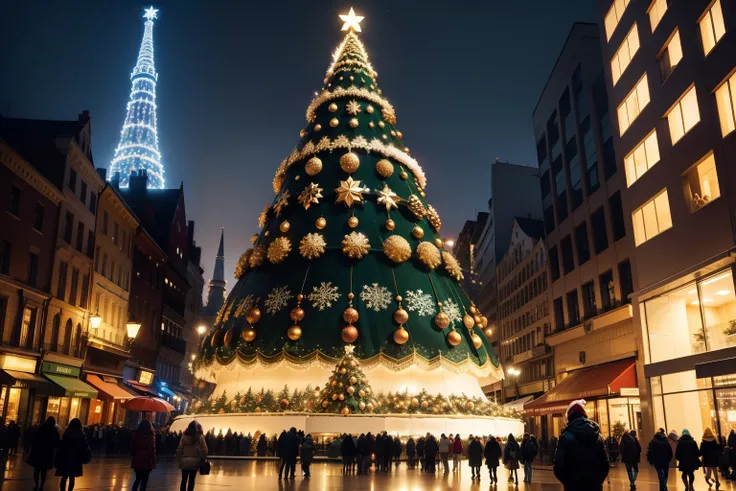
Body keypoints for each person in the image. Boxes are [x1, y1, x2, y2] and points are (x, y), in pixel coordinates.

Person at [552, 400, 609, 491]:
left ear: (570, 418)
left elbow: (558, 466)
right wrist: (598, 481)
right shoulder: (599, 437)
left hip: (573, 486)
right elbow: (606, 464)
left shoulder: (565, 437)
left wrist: (568, 482)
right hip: (595, 486)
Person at [55, 418, 90, 491]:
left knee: (64, 476)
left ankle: (62, 490)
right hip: (76, 458)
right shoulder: (81, 434)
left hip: (66, 457)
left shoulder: (67, 432)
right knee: (72, 477)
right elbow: (84, 446)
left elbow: (62, 445)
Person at [27, 416, 59, 491]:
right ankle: (41, 485)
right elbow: (56, 443)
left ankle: (36, 483)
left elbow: (34, 439)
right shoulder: (54, 431)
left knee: (37, 469)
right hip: (48, 453)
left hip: (38, 451)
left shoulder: (40, 428)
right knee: (44, 471)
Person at [176, 421, 207, 491]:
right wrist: (202, 459)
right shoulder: (200, 437)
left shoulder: (184, 437)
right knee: (191, 480)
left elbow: (179, 449)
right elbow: (205, 450)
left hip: (184, 461)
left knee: (183, 480)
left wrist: (179, 461)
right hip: (195, 462)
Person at [130, 419, 156, 491]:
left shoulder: (136, 434)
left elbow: (132, 447)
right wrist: (153, 462)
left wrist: (134, 455)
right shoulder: (150, 435)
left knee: (137, 479)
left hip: (137, 458)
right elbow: (151, 449)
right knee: (144, 480)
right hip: (146, 459)